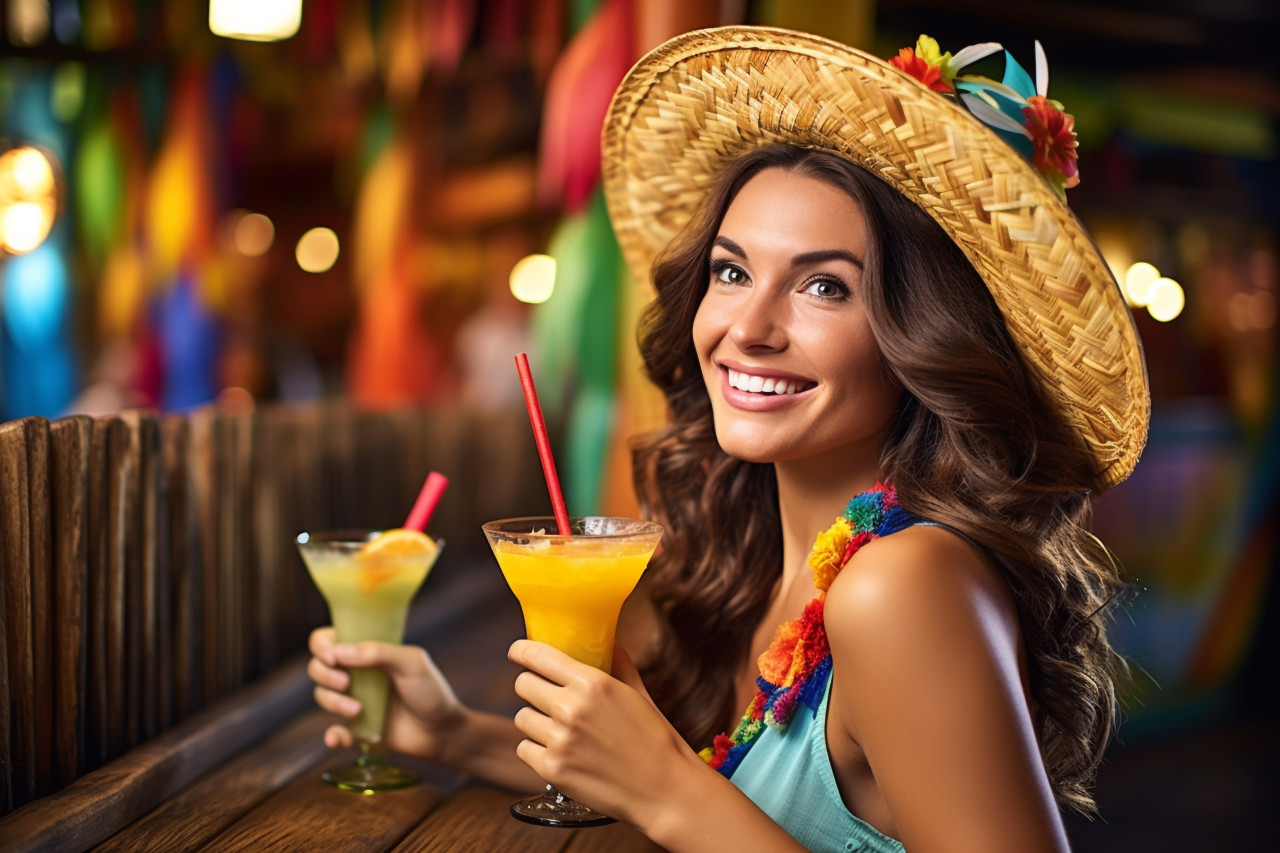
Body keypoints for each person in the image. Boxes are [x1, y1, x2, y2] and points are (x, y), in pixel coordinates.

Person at [308, 26, 1149, 852]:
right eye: (732, 271)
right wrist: (454, 733)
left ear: (924, 334)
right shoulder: (763, 563)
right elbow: (725, 796)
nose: (747, 328)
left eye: (825, 287)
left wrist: (664, 787)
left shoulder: (903, 586)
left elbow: (681, 792)